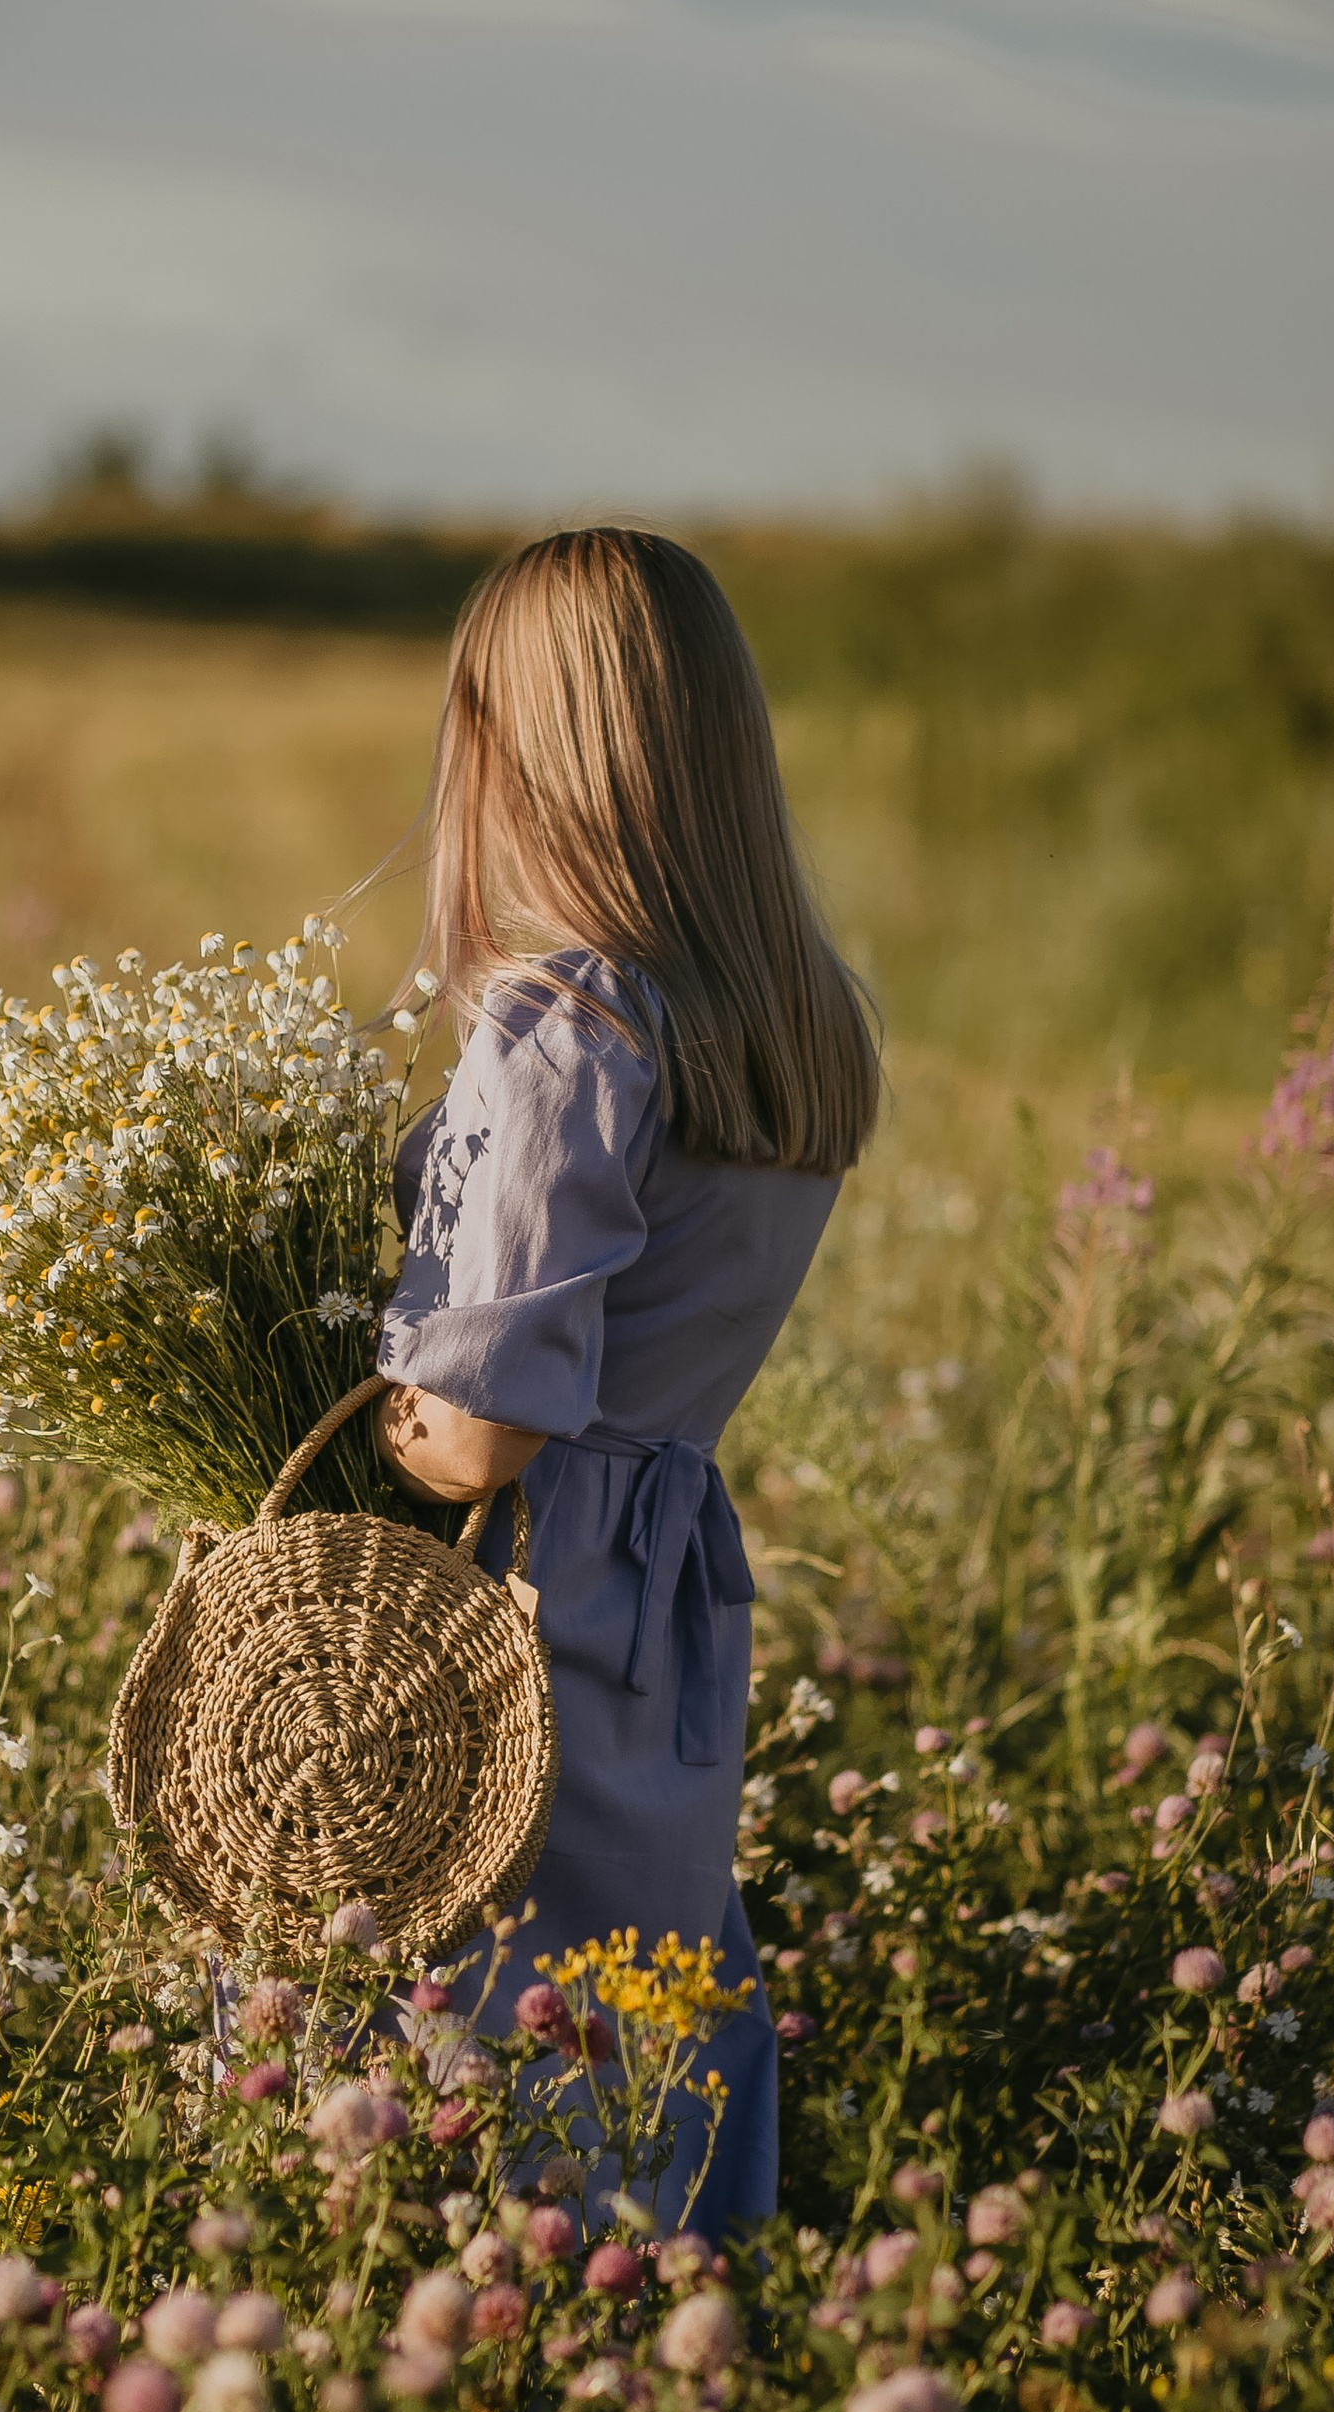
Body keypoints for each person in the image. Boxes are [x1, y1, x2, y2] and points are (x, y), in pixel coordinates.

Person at [373, 526, 879, 2235]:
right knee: (636, 1989)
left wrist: (372, 1401)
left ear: (535, 752)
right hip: (663, 1588)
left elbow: (490, 1422)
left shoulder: (567, 1023)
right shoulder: (796, 1025)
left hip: (511, 1596)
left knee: (467, 2016)